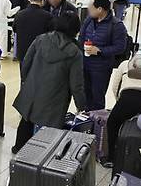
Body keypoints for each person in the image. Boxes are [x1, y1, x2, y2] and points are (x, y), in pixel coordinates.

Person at [12, 14, 86, 153]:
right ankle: (42, 157)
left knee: (26, 120)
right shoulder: (75, 53)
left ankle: (19, 149)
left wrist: (27, 82)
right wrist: (81, 105)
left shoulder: (41, 39)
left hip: (33, 90)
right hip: (55, 96)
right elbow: (76, 84)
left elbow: (26, 63)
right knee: (50, 130)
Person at [106, 54, 141, 168]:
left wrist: (120, 103)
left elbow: (115, 87)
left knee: (113, 123)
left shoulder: (124, 64)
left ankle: (111, 158)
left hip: (129, 96)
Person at [78, 0, 128, 111]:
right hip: (85, 64)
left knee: (97, 98)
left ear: (100, 9)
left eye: (91, 7)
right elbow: (81, 36)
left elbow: (120, 47)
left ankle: (96, 122)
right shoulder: (89, 20)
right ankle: (84, 121)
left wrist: (99, 50)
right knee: (85, 95)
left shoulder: (116, 25)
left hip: (101, 68)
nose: (88, 9)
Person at [12, 0, 53, 67]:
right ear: (43, 0)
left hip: (23, 52)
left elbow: (15, 29)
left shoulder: (20, 14)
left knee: (24, 77)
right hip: (40, 52)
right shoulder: (47, 16)